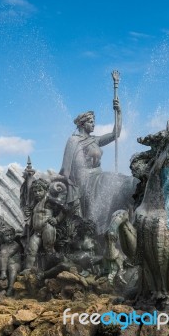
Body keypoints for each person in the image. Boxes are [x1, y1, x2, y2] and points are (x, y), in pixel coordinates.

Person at [60, 98, 137, 234]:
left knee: (116, 179)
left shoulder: (94, 140)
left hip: (97, 174)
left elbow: (115, 134)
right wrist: (66, 185)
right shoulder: (74, 140)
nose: (94, 125)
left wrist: (119, 112)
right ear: (82, 124)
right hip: (84, 179)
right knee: (108, 179)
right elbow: (66, 169)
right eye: (90, 122)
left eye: (93, 122)